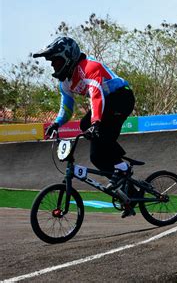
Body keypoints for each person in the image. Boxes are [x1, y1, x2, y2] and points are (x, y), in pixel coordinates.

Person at [33, 36, 136, 217]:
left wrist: (96, 122)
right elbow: (66, 107)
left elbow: (97, 96)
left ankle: (123, 168)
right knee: (96, 156)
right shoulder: (65, 82)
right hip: (106, 104)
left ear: (68, 58)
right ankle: (130, 193)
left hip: (121, 98)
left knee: (93, 127)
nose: (53, 66)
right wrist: (57, 123)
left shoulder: (89, 68)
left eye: (56, 61)